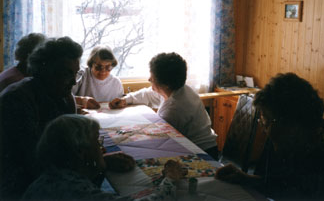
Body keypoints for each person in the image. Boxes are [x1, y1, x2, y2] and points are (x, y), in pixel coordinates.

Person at [215, 73, 324, 200]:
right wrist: (246, 179)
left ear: (292, 124)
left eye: (266, 119)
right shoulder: (283, 138)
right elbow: (277, 183)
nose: (263, 127)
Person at [23, 114, 187, 200]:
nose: (102, 149)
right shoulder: (76, 190)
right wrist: (171, 179)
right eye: (96, 141)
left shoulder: (53, 176)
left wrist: (100, 162)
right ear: (81, 152)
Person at [0, 36, 83, 199]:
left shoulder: (62, 96)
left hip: (47, 172)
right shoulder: (16, 99)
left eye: (76, 73)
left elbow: (70, 142)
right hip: (19, 184)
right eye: (66, 73)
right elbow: (34, 159)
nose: (74, 82)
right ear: (45, 70)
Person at [109, 52, 218, 160]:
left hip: (201, 152)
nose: (149, 79)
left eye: (152, 77)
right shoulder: (179, 89)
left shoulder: (174, 109)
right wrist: (125, 100)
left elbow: (159, 139)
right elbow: (148, 94)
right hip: (204, 145)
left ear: (165, 85)